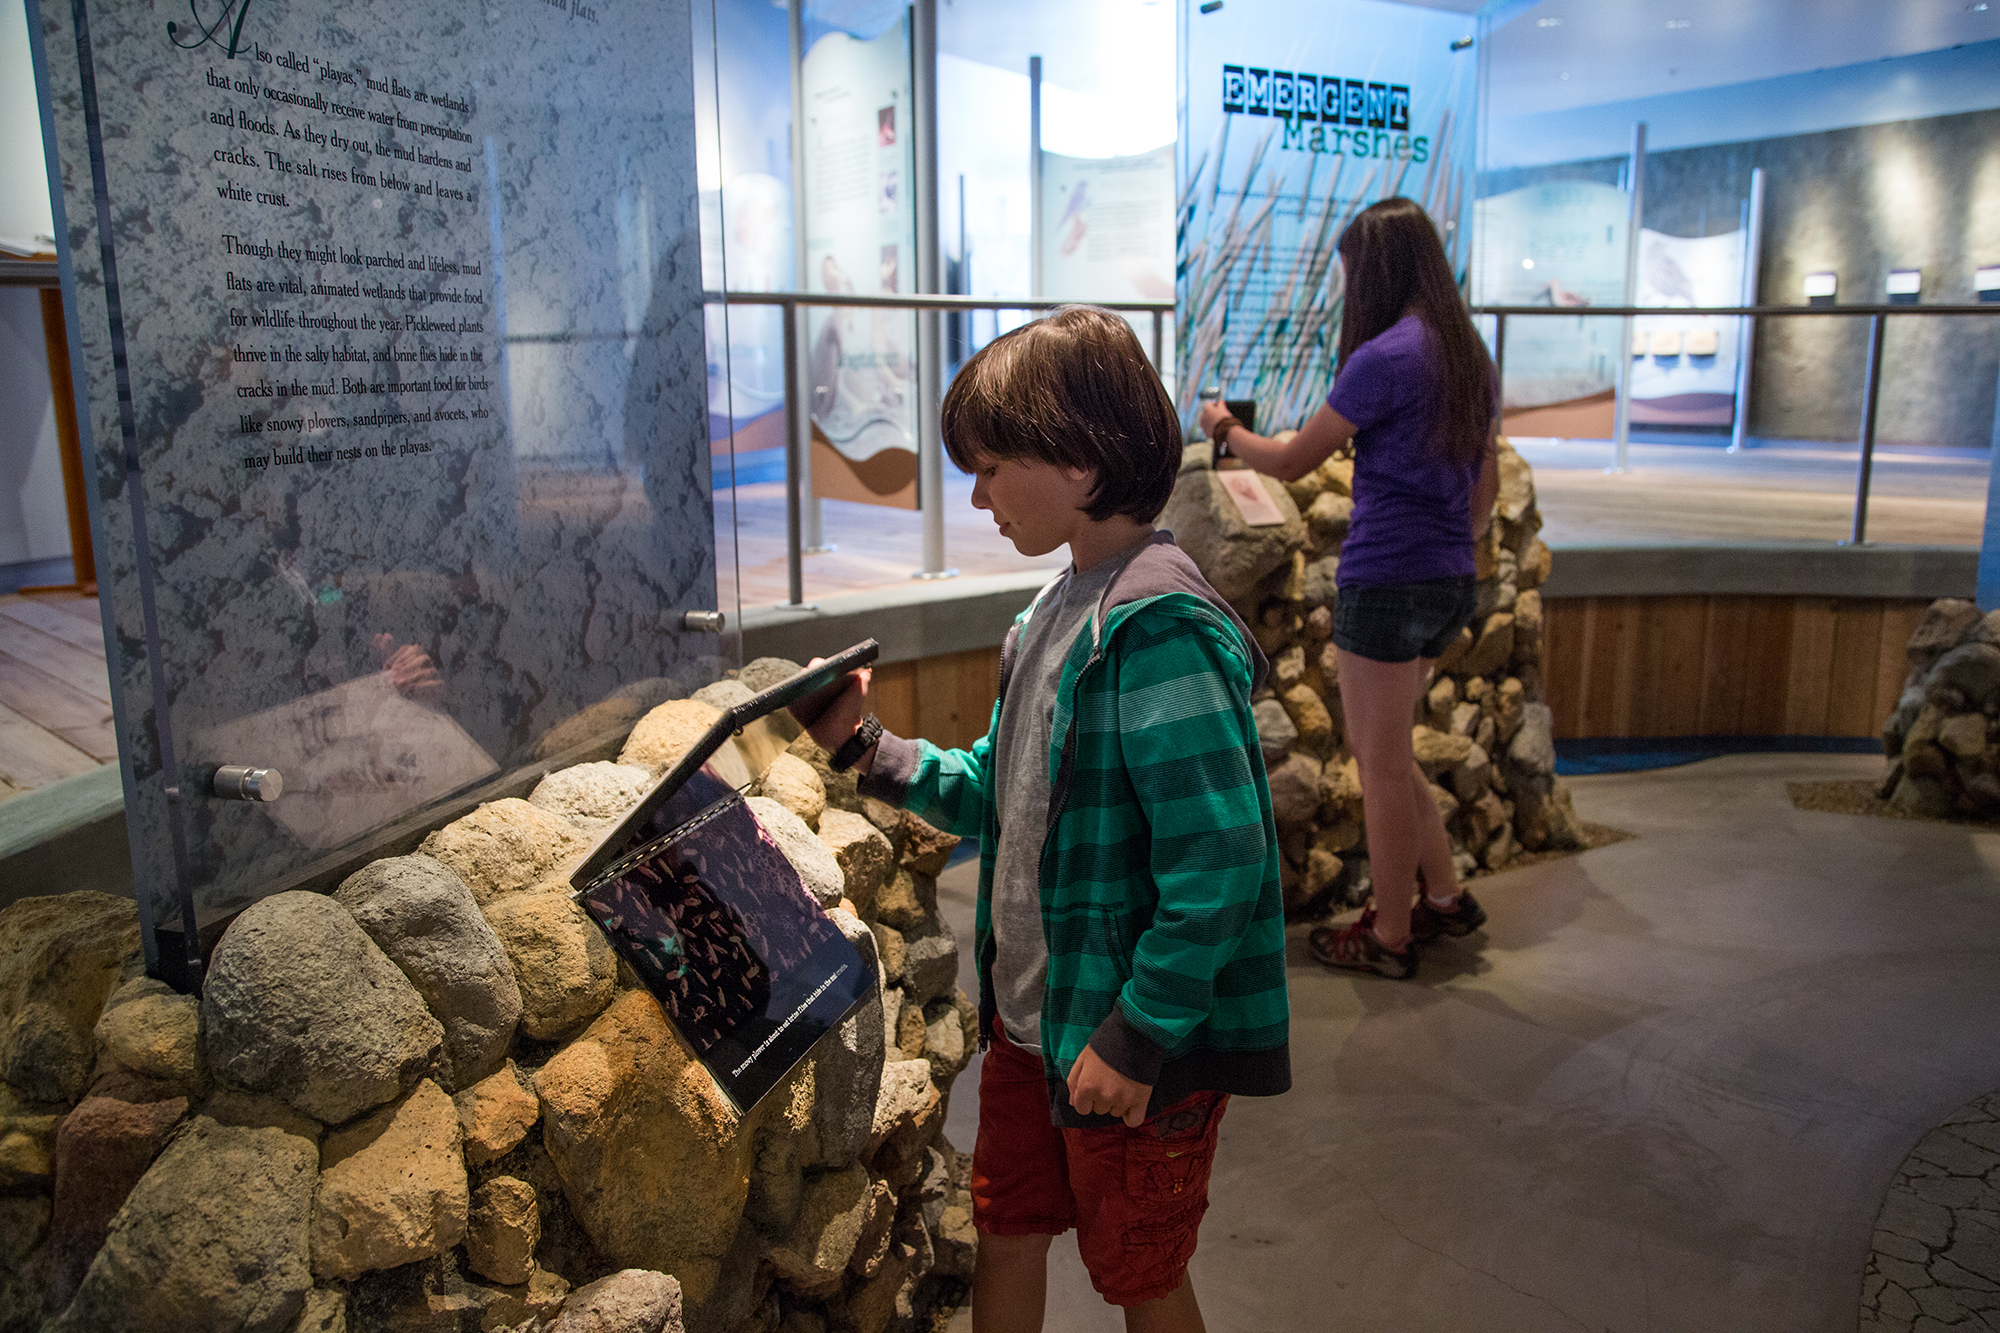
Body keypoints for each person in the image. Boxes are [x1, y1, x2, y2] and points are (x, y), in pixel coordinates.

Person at [798, 305, 1290, 1333]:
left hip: (1121, 1042)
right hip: (1034, 1024)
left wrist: (1139, 1031)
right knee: (1008, 1222)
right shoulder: (1049, 616)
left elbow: (1221, 859)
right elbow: (1001, 790)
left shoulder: (1156, 632)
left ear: (1075, 459)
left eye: (988, 467)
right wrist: (865, 749)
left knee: (1136, 1262)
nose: (973, 496)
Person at [1196, 196, 1499, 981]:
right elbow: (1485, 493)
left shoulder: (1388, 357)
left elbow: (1293, 459)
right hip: (1448, 579)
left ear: (1375, 270)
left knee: (1379, 763)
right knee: (1391, 753)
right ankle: (1443, 895)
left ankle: (1390, 932)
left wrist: (1227, 429)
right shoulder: (1467, 352)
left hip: (1389, 577)